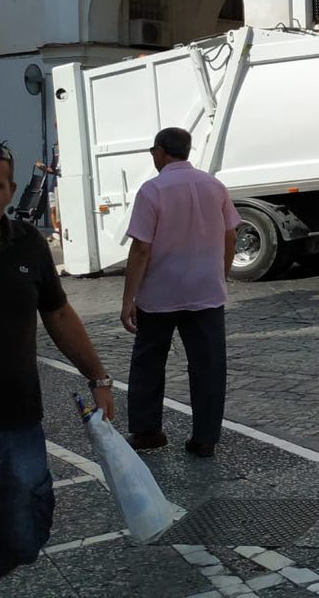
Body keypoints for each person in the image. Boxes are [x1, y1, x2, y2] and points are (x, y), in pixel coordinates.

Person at [0, 138, 115, 580]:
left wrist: (99, 379)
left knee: (26, 527)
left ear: (10, 191)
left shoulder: (27, 244)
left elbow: (59, 313)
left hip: (18, 416)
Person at [122, 127, 241, 459]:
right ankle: (205, 438)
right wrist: (222, 274)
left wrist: (128, 297)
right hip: (206, 292)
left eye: (153, 150)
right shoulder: (214, 186)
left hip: (161, 293)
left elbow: (142, 247)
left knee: (149, 361)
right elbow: (230, 236)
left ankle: (147, 432)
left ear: (161, 151)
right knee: (209, 365)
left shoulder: (152, 190)